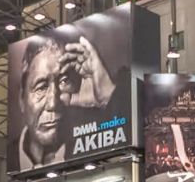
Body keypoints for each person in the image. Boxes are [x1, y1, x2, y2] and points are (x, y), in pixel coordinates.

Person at [9, 29, 117, 171]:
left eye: (64, 81)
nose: (53, 103)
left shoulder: (98, 143)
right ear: (22, 99)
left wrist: (107, 96)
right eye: (41, 87)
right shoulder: (8, 161)